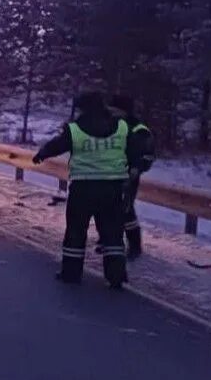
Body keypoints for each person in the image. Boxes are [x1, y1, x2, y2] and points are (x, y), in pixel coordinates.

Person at [32, 91, 137, 289]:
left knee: (76, 231)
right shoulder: (121, 127)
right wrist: (134, 168)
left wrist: (42, 154)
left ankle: (71, 273)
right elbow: (134, 149)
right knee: (113, 232)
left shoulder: (76, 129)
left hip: (83, 188)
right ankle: (116, 275)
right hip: (112, 188)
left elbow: (58, 145)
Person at [108, 94, 155, 259]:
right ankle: (110, 242)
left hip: (128, 176)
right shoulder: (111, 124)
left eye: (115, 110)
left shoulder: (138, 129)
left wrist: (137, 168)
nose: (112, 113)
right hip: (108, 173)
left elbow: (147, 155)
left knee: (126, 211)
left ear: (124, 111)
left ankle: (134, 245)